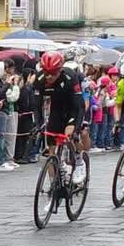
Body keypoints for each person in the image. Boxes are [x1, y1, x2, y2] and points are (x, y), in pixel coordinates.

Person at [37, 51, 87, 184]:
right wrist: (37, 125)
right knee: (51, 150)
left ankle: (79, 160)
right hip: (56, 110)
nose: (49, 76)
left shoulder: (70, 76)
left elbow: (79, 106)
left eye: (53, 73)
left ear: (60, 70)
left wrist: (75, 129)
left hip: (72, 108)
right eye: (46, 72)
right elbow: (36, 106)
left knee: (69, 134)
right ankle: (54, 183)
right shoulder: (40, 79)